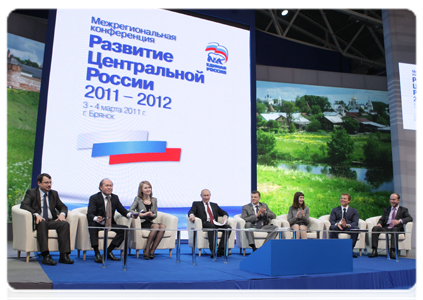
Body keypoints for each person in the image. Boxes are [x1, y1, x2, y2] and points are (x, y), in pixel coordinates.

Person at [20, 173, 74, 265]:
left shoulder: (54, 193)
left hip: (51, 221)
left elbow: (62, 206)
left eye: (50, 182)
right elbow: (24, 205)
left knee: (64, 224)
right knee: (42, 222)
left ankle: (64, 255)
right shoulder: (32, 192)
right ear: (39, 183)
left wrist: (62, 214)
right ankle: (46, 255)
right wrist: (36, 214)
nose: (49, 185)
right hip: (39, 221)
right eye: (46, 183)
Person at [87, 178, 134, 263]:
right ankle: (97, 253)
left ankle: (108, 251)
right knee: (92, 224)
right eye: (107, 185)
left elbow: (122, 210)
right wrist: (96, 218)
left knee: (125, 229)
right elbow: (90, 214)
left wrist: (131, 215)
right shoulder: (94, 198)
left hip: (109, 223)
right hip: (98, 223)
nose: (109, 187)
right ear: (101, 187)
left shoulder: (114, 197)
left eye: (111, 185)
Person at [188, 189, 232, 258]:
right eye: (204, 195)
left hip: (214, 223)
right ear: (201, 196)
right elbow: (191, 211)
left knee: (228, 228)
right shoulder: (196, 204)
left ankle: (221, 249)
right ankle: (213, 250)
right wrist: (191, 215)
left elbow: (223, 212)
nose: (206, 197)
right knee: (211, 226)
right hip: (204, 223)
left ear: (210, 196)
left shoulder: (214, 205)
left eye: (207, 195)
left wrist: (225, 216)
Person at [129, 181, 166, 260]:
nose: (148, 189)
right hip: (141, 222)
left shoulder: (154, 200)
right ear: (141, 190)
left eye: (149, 187)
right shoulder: (138, 199)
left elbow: (155, 214)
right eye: (145, 188)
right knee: (156, 226)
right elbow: (131, 210)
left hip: (149, 221)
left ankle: (152, 250)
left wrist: (152, 215)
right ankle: (147, 249)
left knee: (162, 226)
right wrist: (142, 214)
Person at [369, 193, 413, 259]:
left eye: (394, 199)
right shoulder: (386, 210)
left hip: (396, 228)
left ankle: (392, 251)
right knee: (375, 228)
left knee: (394, 230)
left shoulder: (403, 210)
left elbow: (410, 218)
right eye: (391, 199)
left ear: (399, 200)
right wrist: (379, 223)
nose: (392, 201)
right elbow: (382, 219)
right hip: (387, 227)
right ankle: (374, 250)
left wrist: (399, 221)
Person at [329, 193, 359, 258]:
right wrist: (337, 224)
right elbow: (332, 221)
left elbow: (355, 222)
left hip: (348, 227)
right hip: (338, 227)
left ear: (349, 201)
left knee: (356, 228)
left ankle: (349, 250)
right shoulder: (335, 210)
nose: (342, 200)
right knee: (332, 227)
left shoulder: (354, 211)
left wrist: (347, 225)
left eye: (344, 198)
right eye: (341, 198)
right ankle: (336, 250)